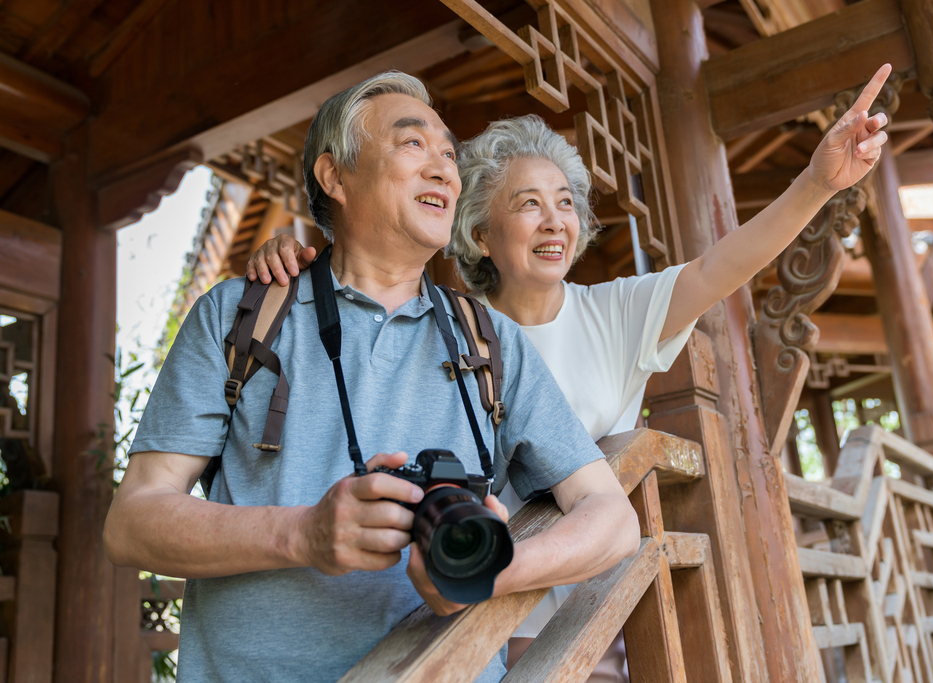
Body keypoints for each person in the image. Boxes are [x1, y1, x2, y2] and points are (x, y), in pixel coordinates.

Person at [247, 64, 893, 682]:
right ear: (478, 232)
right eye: (528, 204)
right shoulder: (448, 330)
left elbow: (721, 268)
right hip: (459, 616)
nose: (555, 220)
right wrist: (304, 268)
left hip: (590, 614)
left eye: (565, 203)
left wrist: (819, 181)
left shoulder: (616, 315)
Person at [103, 71, 642, 683]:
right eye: (413, 144)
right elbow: (132, 524)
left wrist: (492, 569)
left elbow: (613, 518)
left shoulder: (491, 342)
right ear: (334, 177)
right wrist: (303, 534)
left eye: (448, 153)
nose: (444, 170)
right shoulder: (241, 316)